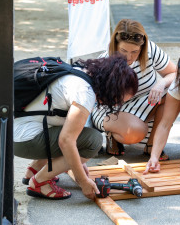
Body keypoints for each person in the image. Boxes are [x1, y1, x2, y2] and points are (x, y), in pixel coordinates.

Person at [14, 54, 138, 200]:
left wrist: (76, 163)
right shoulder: (85, 93)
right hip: (24, 140)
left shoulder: (81, 72)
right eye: (118, 100)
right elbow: (66, 140)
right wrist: (83, 181)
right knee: (93, 141)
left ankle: (34, 171)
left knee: (79, 137)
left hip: (14, 129)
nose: (116, 105)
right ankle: (39, 182)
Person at [91, 19, 177, 160]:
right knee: (136, 132)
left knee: (175, 92)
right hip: (111, 108)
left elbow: (174, 73)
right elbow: (96, 98)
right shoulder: (105, 59)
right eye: (124, 51)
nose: (129, 57)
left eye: (135, 52)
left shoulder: (150, 49)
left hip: (143, 101)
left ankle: (152, 145)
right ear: (116, 45)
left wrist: (160, 84)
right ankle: (112, 135)